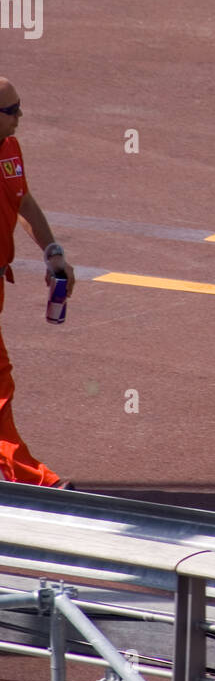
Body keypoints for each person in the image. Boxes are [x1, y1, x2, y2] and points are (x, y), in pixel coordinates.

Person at [0, 78, 74, 486]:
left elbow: (22, 199)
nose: (20, 117)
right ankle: (33, 480)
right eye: (11, 111)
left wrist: (52, 251)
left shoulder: (9, 148)